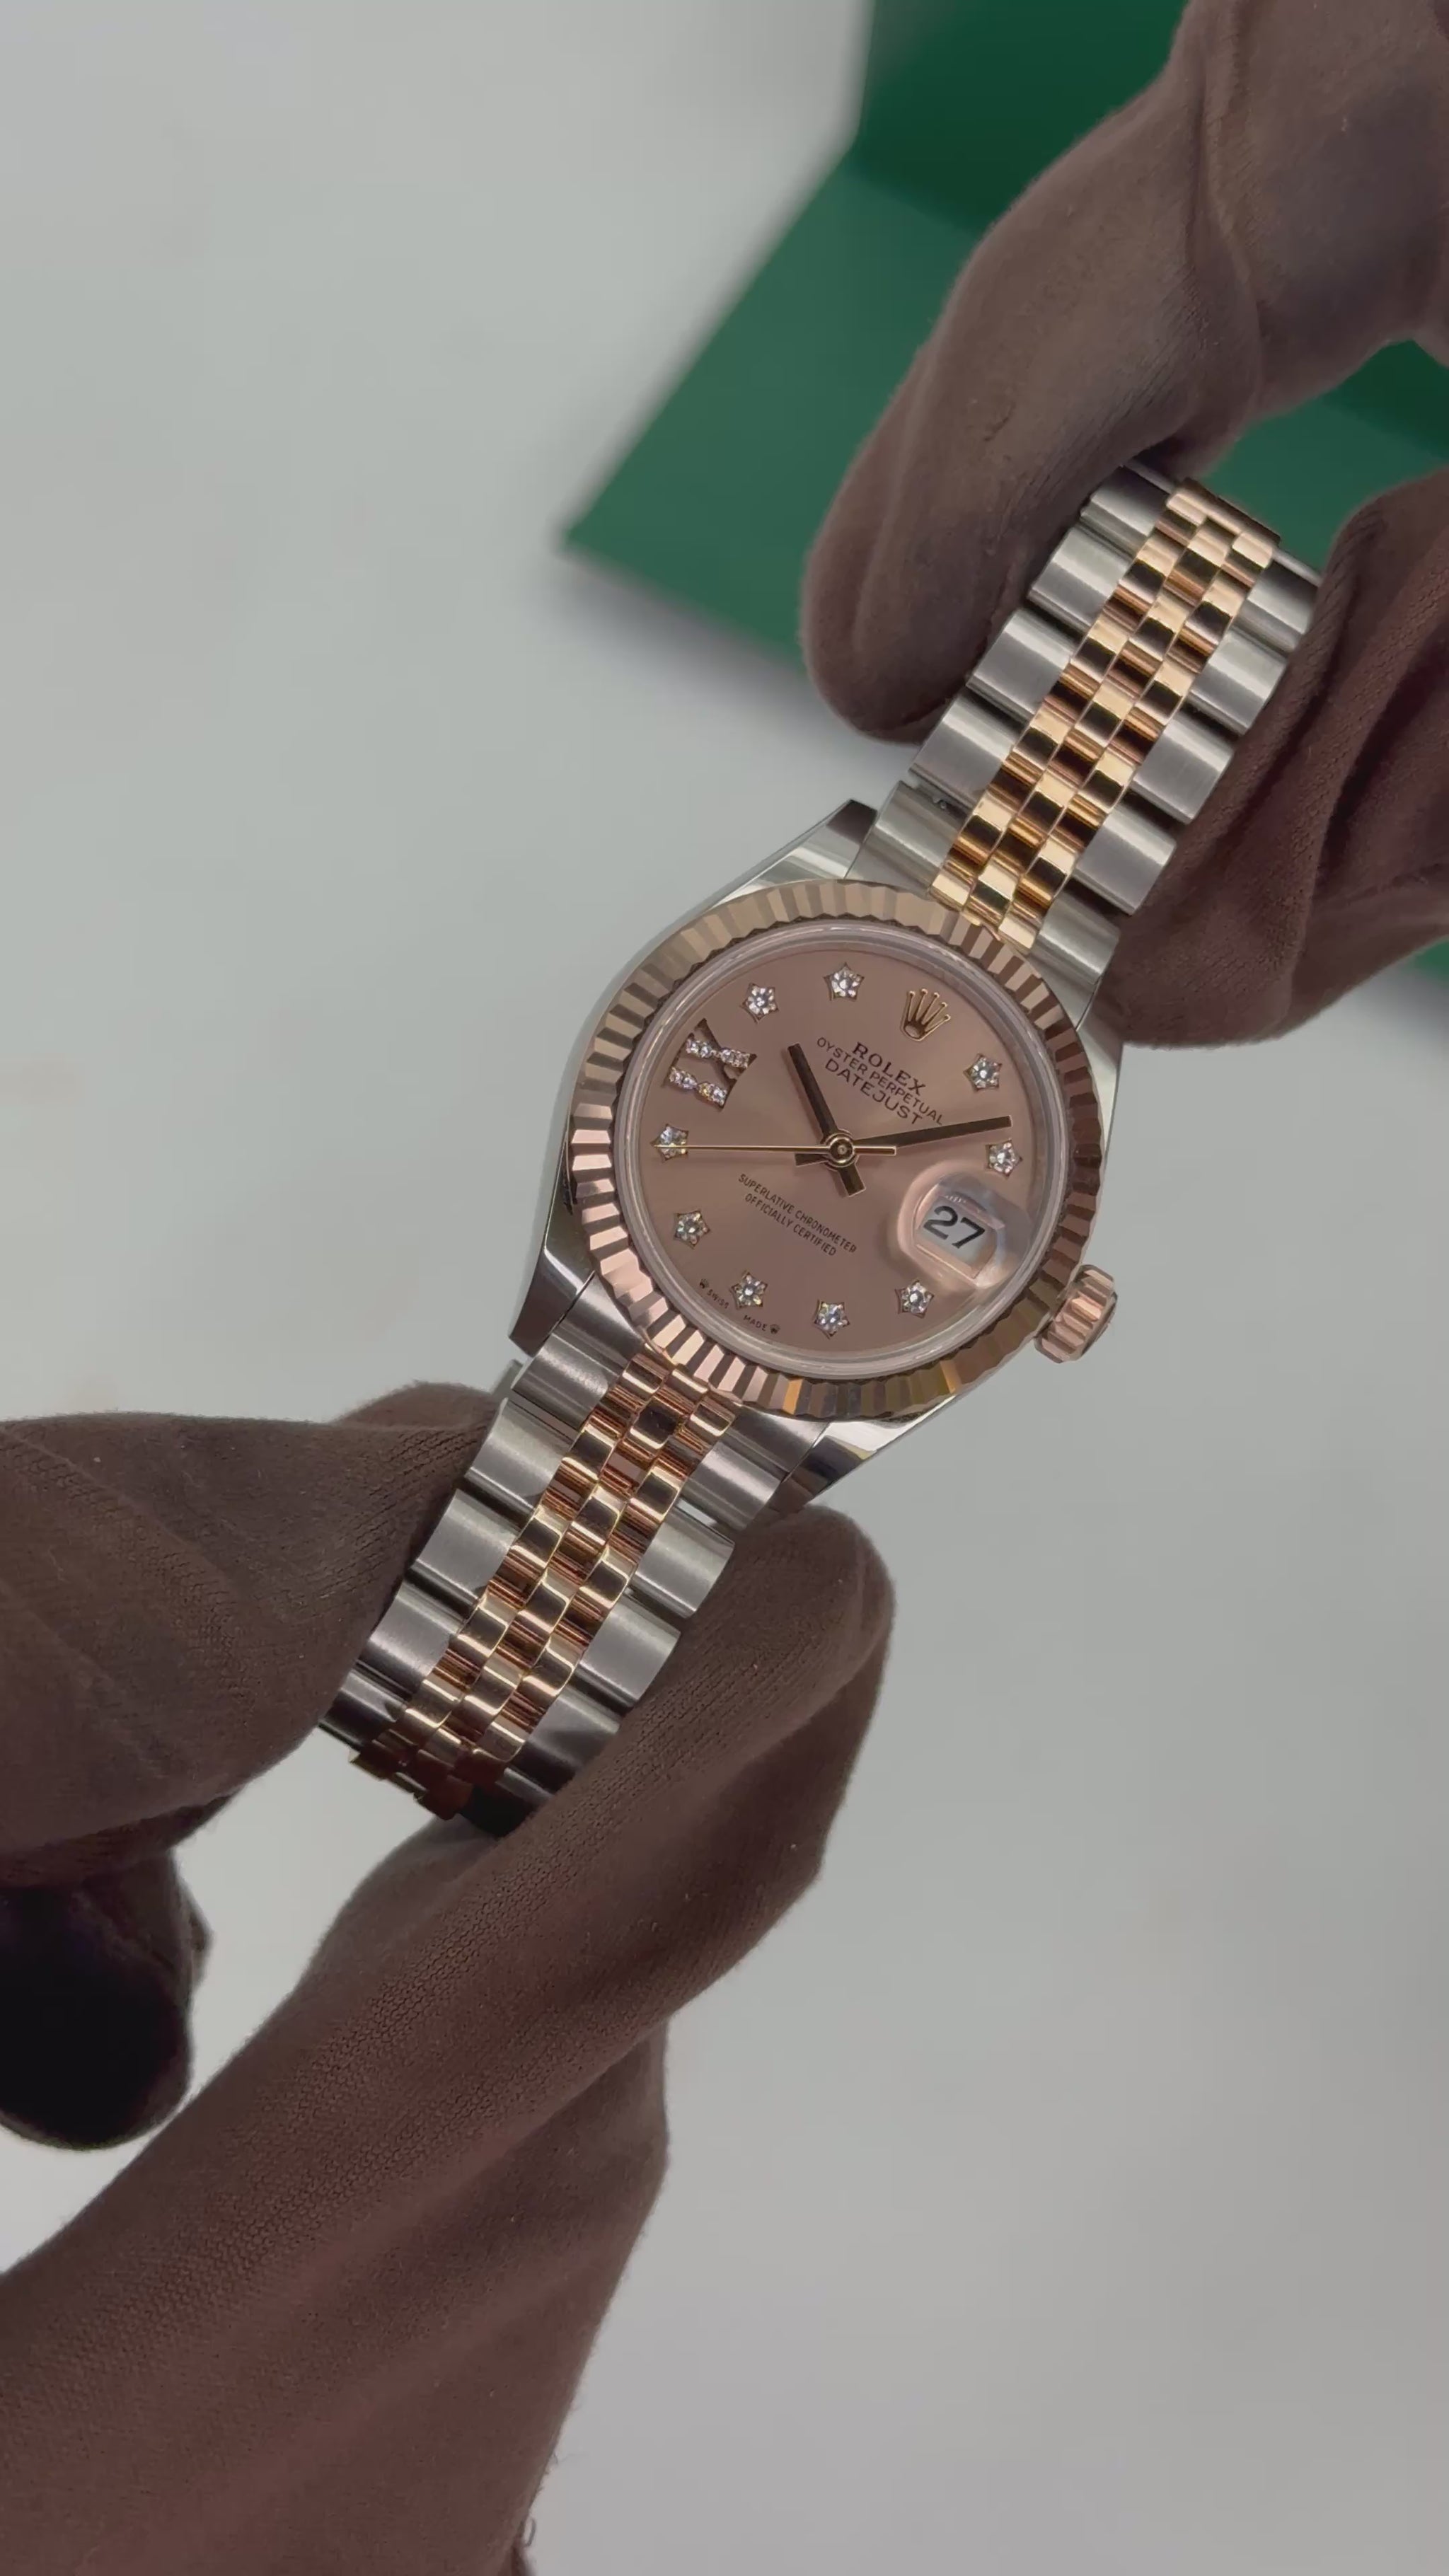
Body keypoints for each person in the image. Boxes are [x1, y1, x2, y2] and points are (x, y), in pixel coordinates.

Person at [4, 1, 1446, 2565]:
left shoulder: (913, 1100)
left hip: (772, 1275)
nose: (888, 1164)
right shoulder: (790, 1045)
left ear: (1038, 1276)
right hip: (681, 1294)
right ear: (672, 1020)